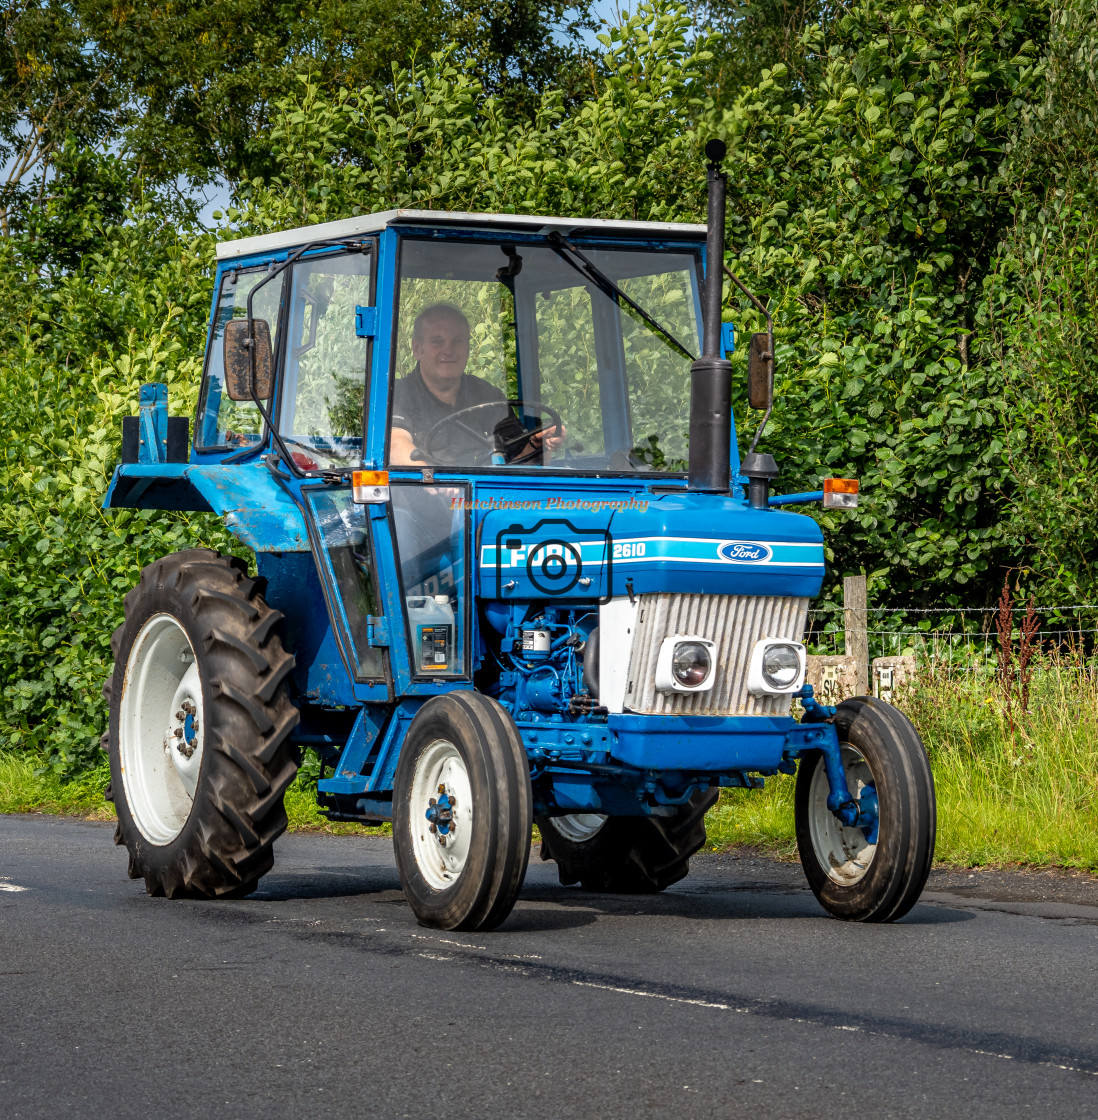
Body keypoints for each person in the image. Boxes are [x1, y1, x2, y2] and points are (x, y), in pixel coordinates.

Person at [390, 302, 564, 466]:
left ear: (467, 347)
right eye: (437, 342)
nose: (449, 350)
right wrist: (429, 478)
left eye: (458, 341)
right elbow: (396, 444)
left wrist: (541, 443)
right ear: (417, 349)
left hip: (482, 497)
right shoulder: (397, 394)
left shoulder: (486, 395)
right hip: (423, 494)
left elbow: (520, 455)